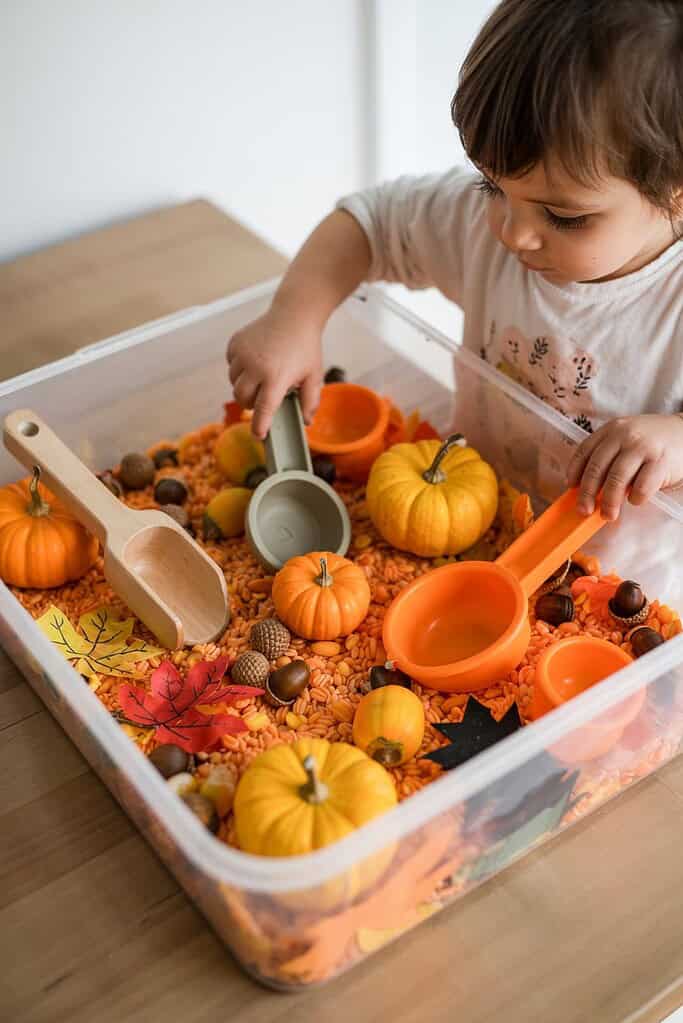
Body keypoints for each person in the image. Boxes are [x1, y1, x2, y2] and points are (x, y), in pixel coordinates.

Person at [227, 0, 683, 522]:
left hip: (622, 585)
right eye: (490, 184)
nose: (512, 233)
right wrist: (293, 319)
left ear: (676, 193)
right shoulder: (484, 223)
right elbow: (371, 224)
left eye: (562, 216)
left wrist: (677, 440)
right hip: (472, 519)